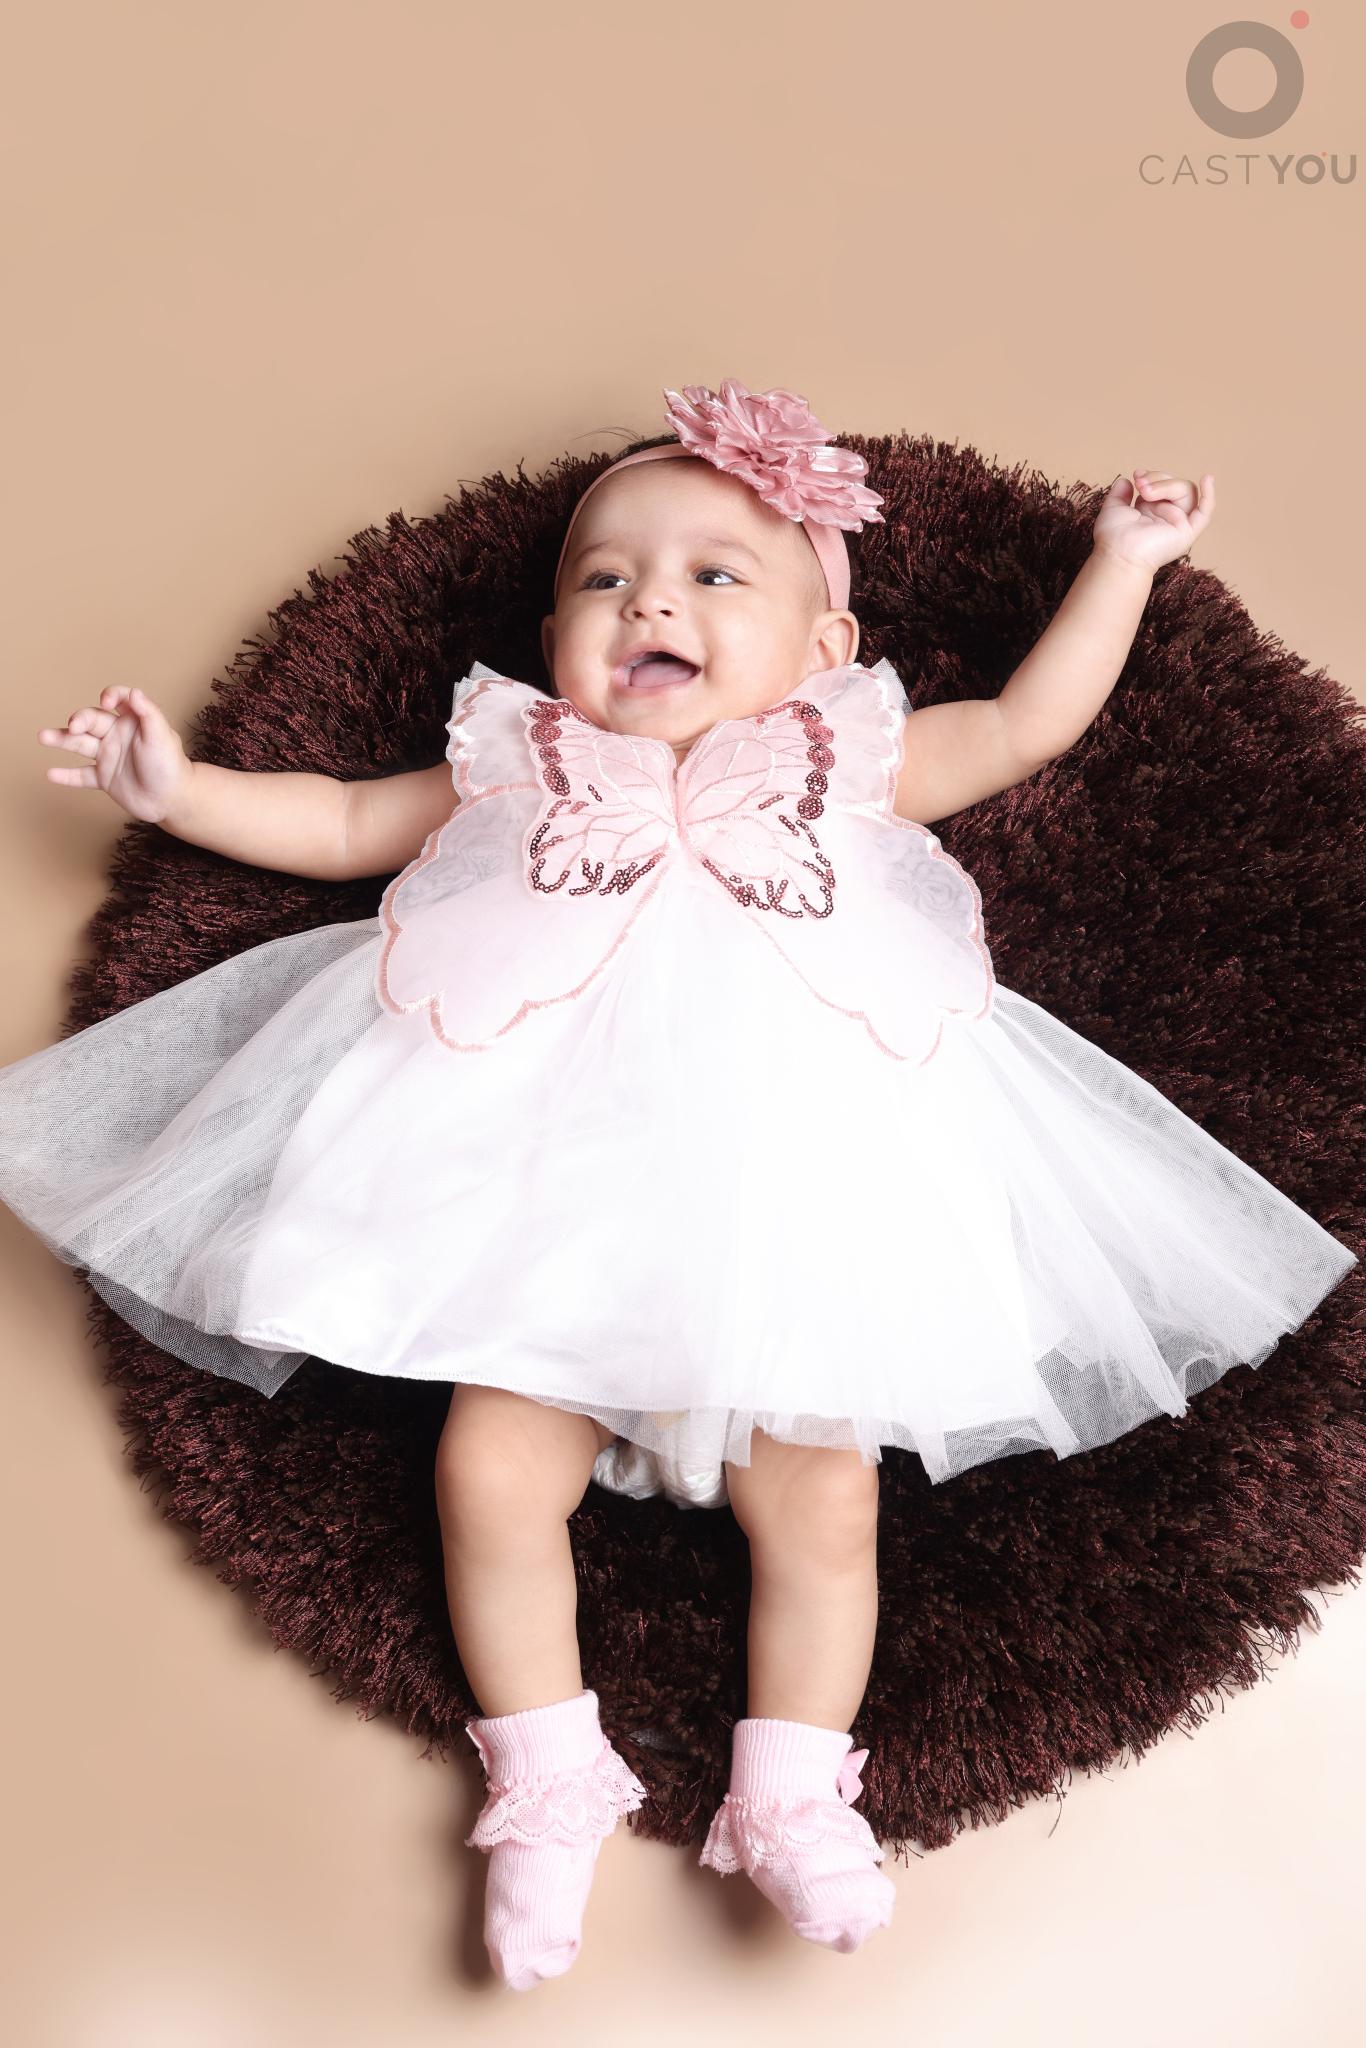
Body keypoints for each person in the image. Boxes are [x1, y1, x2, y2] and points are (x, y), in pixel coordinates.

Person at [0, 380, 1355, 1989]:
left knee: (826, 1503)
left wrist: (1120, 562)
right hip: (548, 1235)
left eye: (716, 576)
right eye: (604, 578)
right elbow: (352, 820)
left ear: (823, 651)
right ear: (552, 641)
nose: (649, 602)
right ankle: (544, 1774)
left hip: (794, 1238)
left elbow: (1020, 726)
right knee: (488, 1475)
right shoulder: (524, 761)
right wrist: (180, 792)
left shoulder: (837, 760)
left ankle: (793, 1785)